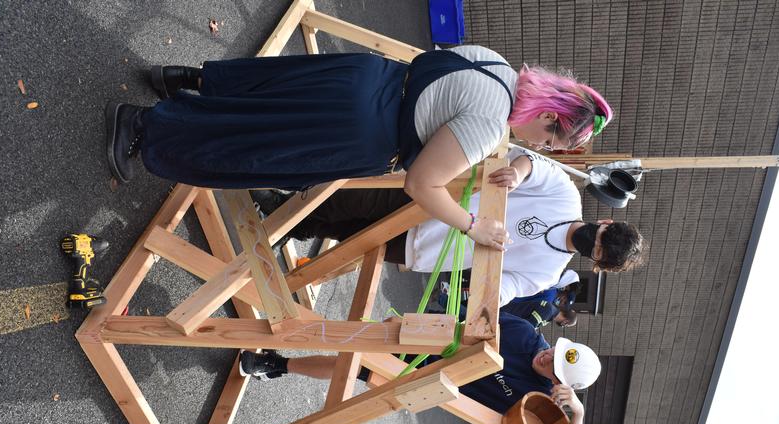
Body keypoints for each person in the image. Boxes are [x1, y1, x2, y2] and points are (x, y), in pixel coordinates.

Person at [105, 45, 613, 252]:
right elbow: (422, 184)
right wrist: (472, 225)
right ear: (547, 116)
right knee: (253, 141)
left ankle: (181, 82)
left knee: (260, 94)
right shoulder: (488, 125)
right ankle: (141, 129)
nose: (538, 144)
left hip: (366, 75)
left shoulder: (497, 64)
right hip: (356, 127)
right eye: (548, 138)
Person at [279, 150, 645, 303]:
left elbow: (505, 288)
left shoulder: (547, 273)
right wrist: (517, 174)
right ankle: (280, 203)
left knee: (344, 234)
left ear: (595, 262)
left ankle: (287, 226)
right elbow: (536, 165)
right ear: (606, 221)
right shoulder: (566, 197)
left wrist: (483, 302)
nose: (591, 240)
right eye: (599, 234)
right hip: (430, 201)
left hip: (422, 248)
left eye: (595, 250)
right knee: (346, 200)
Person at [237, 313, 601, 424]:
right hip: (433, 342)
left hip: (430, 380)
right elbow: (470, 317)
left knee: (357, 368)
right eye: (555, 350)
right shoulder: (525, 334)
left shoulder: (538, 404)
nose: (546, 356)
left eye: (554, 366)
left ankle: (276, 365)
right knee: (357, 336)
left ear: (559, 383)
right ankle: (280, 326)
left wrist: (578, 415)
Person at [500, 269, 580, 328]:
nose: (561, 304)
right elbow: (527, 323)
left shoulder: (550, 289)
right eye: (564, 302)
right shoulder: (549, 298)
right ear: (564, 295)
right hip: (509, 303)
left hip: (509, 294)